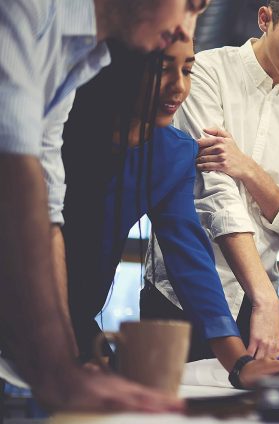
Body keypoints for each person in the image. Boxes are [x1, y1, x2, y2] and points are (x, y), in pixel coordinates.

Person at [62, 38, 279, 389]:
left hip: (75, 313)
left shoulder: (171, 153)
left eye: (187, 70)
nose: (179, 87)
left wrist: (240, 365)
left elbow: (189, 258)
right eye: (162, 69)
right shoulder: (60, 130)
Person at [0, 0, 207, 412]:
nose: (187, 29)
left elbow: (47, 210)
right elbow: (13, 173)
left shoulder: (80, 59)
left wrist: (68, 361)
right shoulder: (26, 9)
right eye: (190, 4)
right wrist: (58, 373)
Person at [143, 0, 279, 364]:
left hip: (258, 302)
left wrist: (250, 171)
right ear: (265, 19)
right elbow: (213, 193)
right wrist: (264, 298)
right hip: (181, 293)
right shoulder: (205, 71)